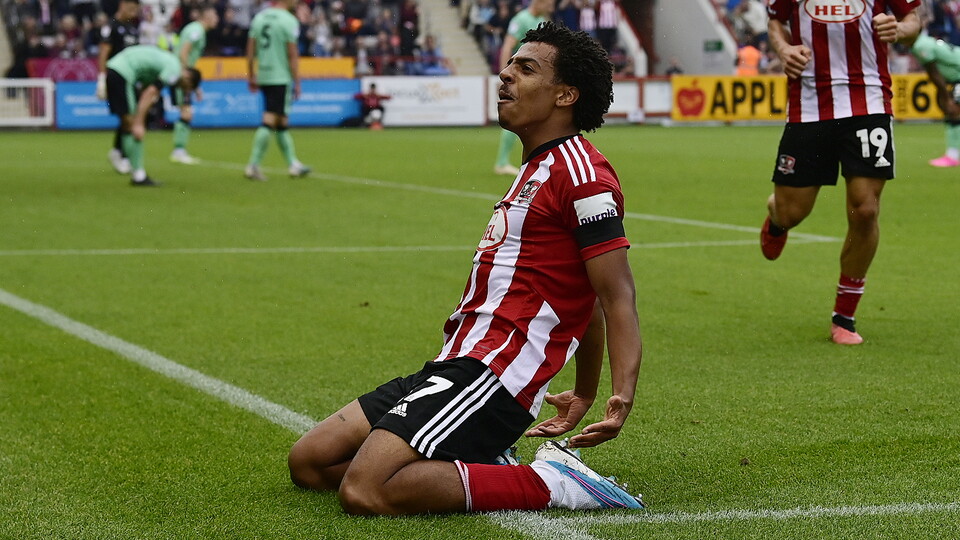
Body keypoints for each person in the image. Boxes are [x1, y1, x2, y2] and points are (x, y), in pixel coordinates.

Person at [287, 22, 644, 516]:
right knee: (310, 463)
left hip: (494, 372)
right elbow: (586, 301)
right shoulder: (535, 168)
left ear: (565, 95)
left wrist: (617, 395)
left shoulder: (581, 176)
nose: (505, 75)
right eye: (509, 65)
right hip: (457, 361)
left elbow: (614, 295)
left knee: (365, 489)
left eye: (525, 68)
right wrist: (582, 391)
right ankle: (482, 459)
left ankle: (554, 484)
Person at [760, 0, 921, 345]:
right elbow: (775, 21)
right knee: (792, 211)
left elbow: (913, 20)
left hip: (870, 102)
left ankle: (843, 316)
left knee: (865, 209)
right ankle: (776, 216)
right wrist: (784, 48)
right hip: (809, 105)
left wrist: (901, 30)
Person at [105, 45, 202, 186]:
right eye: (185, 87)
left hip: (115, 69)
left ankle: (126, 160)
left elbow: (147, 90)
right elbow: (150, 92)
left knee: (127, 122)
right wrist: (139, 122)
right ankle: (137, 173)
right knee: (133, 124)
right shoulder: (174, 70)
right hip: (123, 73)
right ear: (188, 77)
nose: (181, 88)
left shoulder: (168, 62)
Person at [244, 0, 311, 181]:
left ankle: (293, 164)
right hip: (280, 76)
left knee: (281, 121)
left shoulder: (259, 18)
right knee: (270, 118)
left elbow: (250, 51)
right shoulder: (289, 21)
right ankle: (253, 164)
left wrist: (251, 75)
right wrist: (297, 81)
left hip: (264, 75)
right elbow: (292, 54)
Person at [493, 0, 553, 176]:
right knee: (518, 116)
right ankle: (502, 162)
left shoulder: (542, 20)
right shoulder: (521, 19)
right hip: (521, 77)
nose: (550, 7)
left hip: (535, 78)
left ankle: (536, 160)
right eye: (548, 3)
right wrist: (505, 74)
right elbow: (508, 45)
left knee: (533, 118)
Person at [169, 4, 219, 165]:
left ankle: (179, 150)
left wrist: (194, 86)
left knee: (186, 111)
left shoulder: (196, 30)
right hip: (181, 76)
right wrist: (186, 77)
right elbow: (183, 52)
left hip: (182, 75)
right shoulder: (196, 31)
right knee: (186, 112)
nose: (217, 19)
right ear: (207, 17)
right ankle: (178, 150)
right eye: (215, 16)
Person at [97, 0, 141, 175]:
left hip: (131, 78)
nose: (134, 12)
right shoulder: (111, 27)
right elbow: (103, 53)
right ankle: (120, 154)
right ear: (122, 5)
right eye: (131, 8)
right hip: (117, 77)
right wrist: (101, 79)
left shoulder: (132, 29)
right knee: (127, 117)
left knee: (130, 116)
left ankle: (119, 152)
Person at [906, 33, 960, 167]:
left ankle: (952, 156)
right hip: (956, 78)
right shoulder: (924, 42)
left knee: (954, 113)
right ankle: (952, 155)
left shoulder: (920, 45)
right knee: (954, 114)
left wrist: (946, 98)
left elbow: (934, 74)